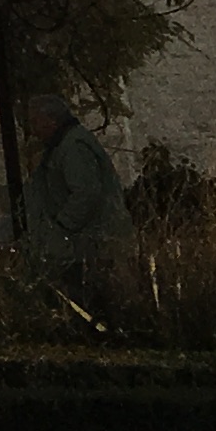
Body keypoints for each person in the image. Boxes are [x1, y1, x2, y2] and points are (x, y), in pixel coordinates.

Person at [24, 92, 137, 292]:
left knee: (97, 298)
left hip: (95, 246)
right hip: (87, 246)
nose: (32, 129)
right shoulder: (63, 145)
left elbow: (86, 193)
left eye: (35, 121)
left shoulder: (73, 147)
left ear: (51, 120)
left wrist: (61, 227)